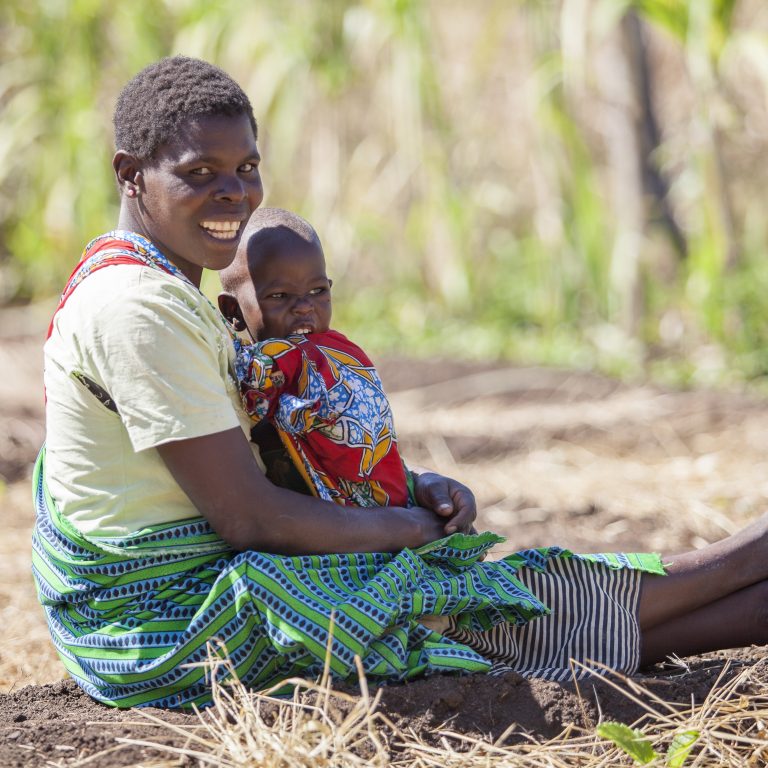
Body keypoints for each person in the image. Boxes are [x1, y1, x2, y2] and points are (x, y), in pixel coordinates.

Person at [31, 55, 768, 712]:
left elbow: (255, 465)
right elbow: (249, 517)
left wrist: (406, 487)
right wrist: (408, 530)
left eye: (247, 168)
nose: (233, 194)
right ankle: (739, 565)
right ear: (130, 174)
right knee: (448, 595)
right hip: (163, 621)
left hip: (193, 587)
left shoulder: (162, 288)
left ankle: (744, 591)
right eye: (199, 174)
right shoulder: (136, 310)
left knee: (472, 595)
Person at [218, 207, 413, 509]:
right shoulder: (264, 361)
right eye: (280, 296)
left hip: (363, 518)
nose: (304, 307)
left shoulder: (334, 359)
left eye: (317, 290)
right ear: (233, 311)